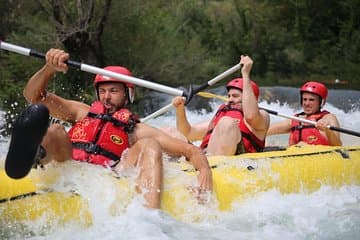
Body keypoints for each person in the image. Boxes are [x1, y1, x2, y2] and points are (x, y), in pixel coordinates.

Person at [22, 48, 213, 209]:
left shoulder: (136, 130)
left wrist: (204, 172)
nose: (106, 97)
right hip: (69, 166)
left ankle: (150, 219)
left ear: (127, 94)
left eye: (113, 91)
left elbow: (190, 150)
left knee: (150, 145)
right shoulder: (81, 112)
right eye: (103, 91)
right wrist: (49, 69)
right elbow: (33, 97)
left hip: (105, 176)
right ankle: (29, 160)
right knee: (56, 130)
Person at [170, 55, 270, 156]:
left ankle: (209, 165)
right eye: (229, 96)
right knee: (170, 132)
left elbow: (251, 116)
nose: (230, 99)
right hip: (204, 156)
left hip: (233, 162)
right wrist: (180, 109)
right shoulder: (222, 116)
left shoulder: (262, 117)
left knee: (226, 123)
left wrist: (245, 74)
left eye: (235, 96)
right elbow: (188, 133)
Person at [267, 81, 342, 146]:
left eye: (311, 100)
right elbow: (265, 130)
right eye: (304, 99)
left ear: (321, 102)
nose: (306, 103)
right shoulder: (295, 120)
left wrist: (327, 130)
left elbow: (338, 145)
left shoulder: (329, 118)